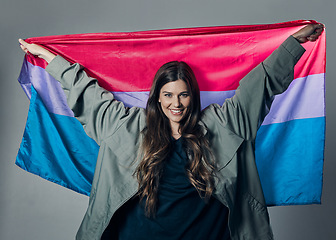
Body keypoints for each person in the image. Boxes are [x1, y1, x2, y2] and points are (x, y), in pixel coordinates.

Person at [19, 23, 324, 240]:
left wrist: (293, 44)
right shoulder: (128, 128)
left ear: (193, 96)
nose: (176, 103)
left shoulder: (224, 124)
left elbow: (262, 85)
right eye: (167, 95)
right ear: (157, 98)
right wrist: (51, 59)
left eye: (183, 95)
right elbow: (88, 95)